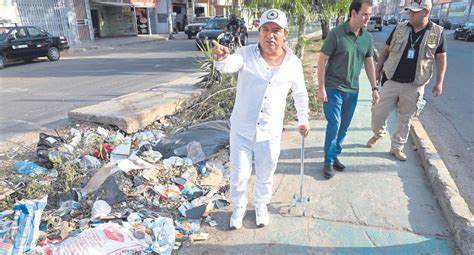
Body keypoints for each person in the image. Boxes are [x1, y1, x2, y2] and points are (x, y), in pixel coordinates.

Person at [211, 9, 310, 229]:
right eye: (265, 30)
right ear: (259, 31)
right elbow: (229, 64)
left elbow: (300, 94)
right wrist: (221, 59)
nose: (270, 35)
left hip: (270, 132)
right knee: (239, 174)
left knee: (266, 173)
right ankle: (238, 208)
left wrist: (304, 119)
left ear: (285, 33)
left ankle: (261, 206)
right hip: (242, 130)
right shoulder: (246, 54)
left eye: (276, 31)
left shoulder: (293, 63)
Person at [366, 0, 447, 161]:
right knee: (377, 113)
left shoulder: (437, 33)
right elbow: (386, 51)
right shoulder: (400, 27)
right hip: (392, 80)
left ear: (426, 12)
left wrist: (439, 82)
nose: (411, 14)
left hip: (414, 85)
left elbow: (441, 58)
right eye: (410, 11)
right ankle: (379, 133)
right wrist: (377, 70)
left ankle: (397, 147)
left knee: (405, 118)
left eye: (415, 12)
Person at [317, 0, 379, 179]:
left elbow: (369, 63)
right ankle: (328, 161)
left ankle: (335, 154)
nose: (368, 18)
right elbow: (322, 60)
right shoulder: (336, 34)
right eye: (365, 14)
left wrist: (375, 87)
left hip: (353, 90)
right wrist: (321, 88)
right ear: (353, 13)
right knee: (335, 124)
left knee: (343, 127)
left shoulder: (367, 37)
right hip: (333, 87)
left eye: (369, 14)